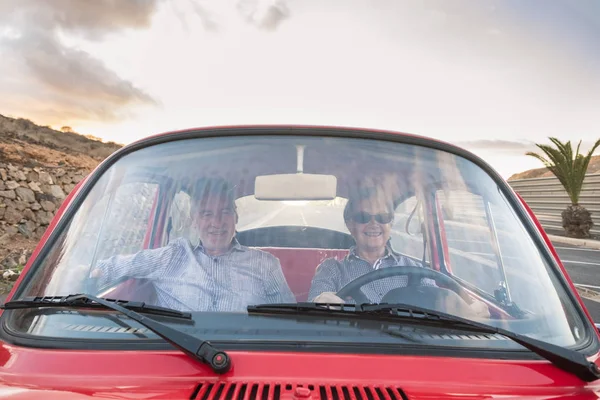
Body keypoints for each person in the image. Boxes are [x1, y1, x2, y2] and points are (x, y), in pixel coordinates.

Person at [91, 177, 295, 312]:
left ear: (236, 217)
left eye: (224, 212)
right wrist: (88, 274)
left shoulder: (266, 264)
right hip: (182, 360)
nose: (216, 222)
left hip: (247, 355)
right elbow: (115, 266)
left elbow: (288, 318)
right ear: (194, 220)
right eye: (207, 214)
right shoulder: (173, 255)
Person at [308, 184, 490, 318]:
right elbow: (314, 304)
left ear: (391, 223)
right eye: (363, 217)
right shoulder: (331, 269)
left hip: (409, 347)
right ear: (350, 224)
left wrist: (467, 311)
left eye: (383, 217)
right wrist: (320, 303)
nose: (374, 224)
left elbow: (437, 307)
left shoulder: (414, 269)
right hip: (355, 347)